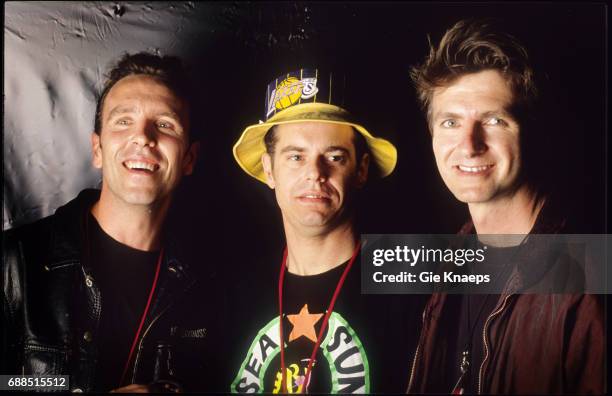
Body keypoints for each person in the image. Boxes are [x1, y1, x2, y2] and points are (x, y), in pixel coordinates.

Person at [2, 52, 221, 392]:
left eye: (164, 124)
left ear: (189, 158)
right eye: (123, 121)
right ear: (98, 149)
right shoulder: (15, 262)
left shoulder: (212, 282)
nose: (143, 137)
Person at [406, 19, 604, 394]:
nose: (469, 144)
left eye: (494, 120)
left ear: (528, 129)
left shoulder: (586, 281)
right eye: (450, 122)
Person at [230, 69, 420, 393]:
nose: (315, 173)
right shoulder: (234, 291)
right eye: (295, 157)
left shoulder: (410, 269)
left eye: (334, 156)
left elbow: (528, 265)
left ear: (360, 170)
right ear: (269, 169)